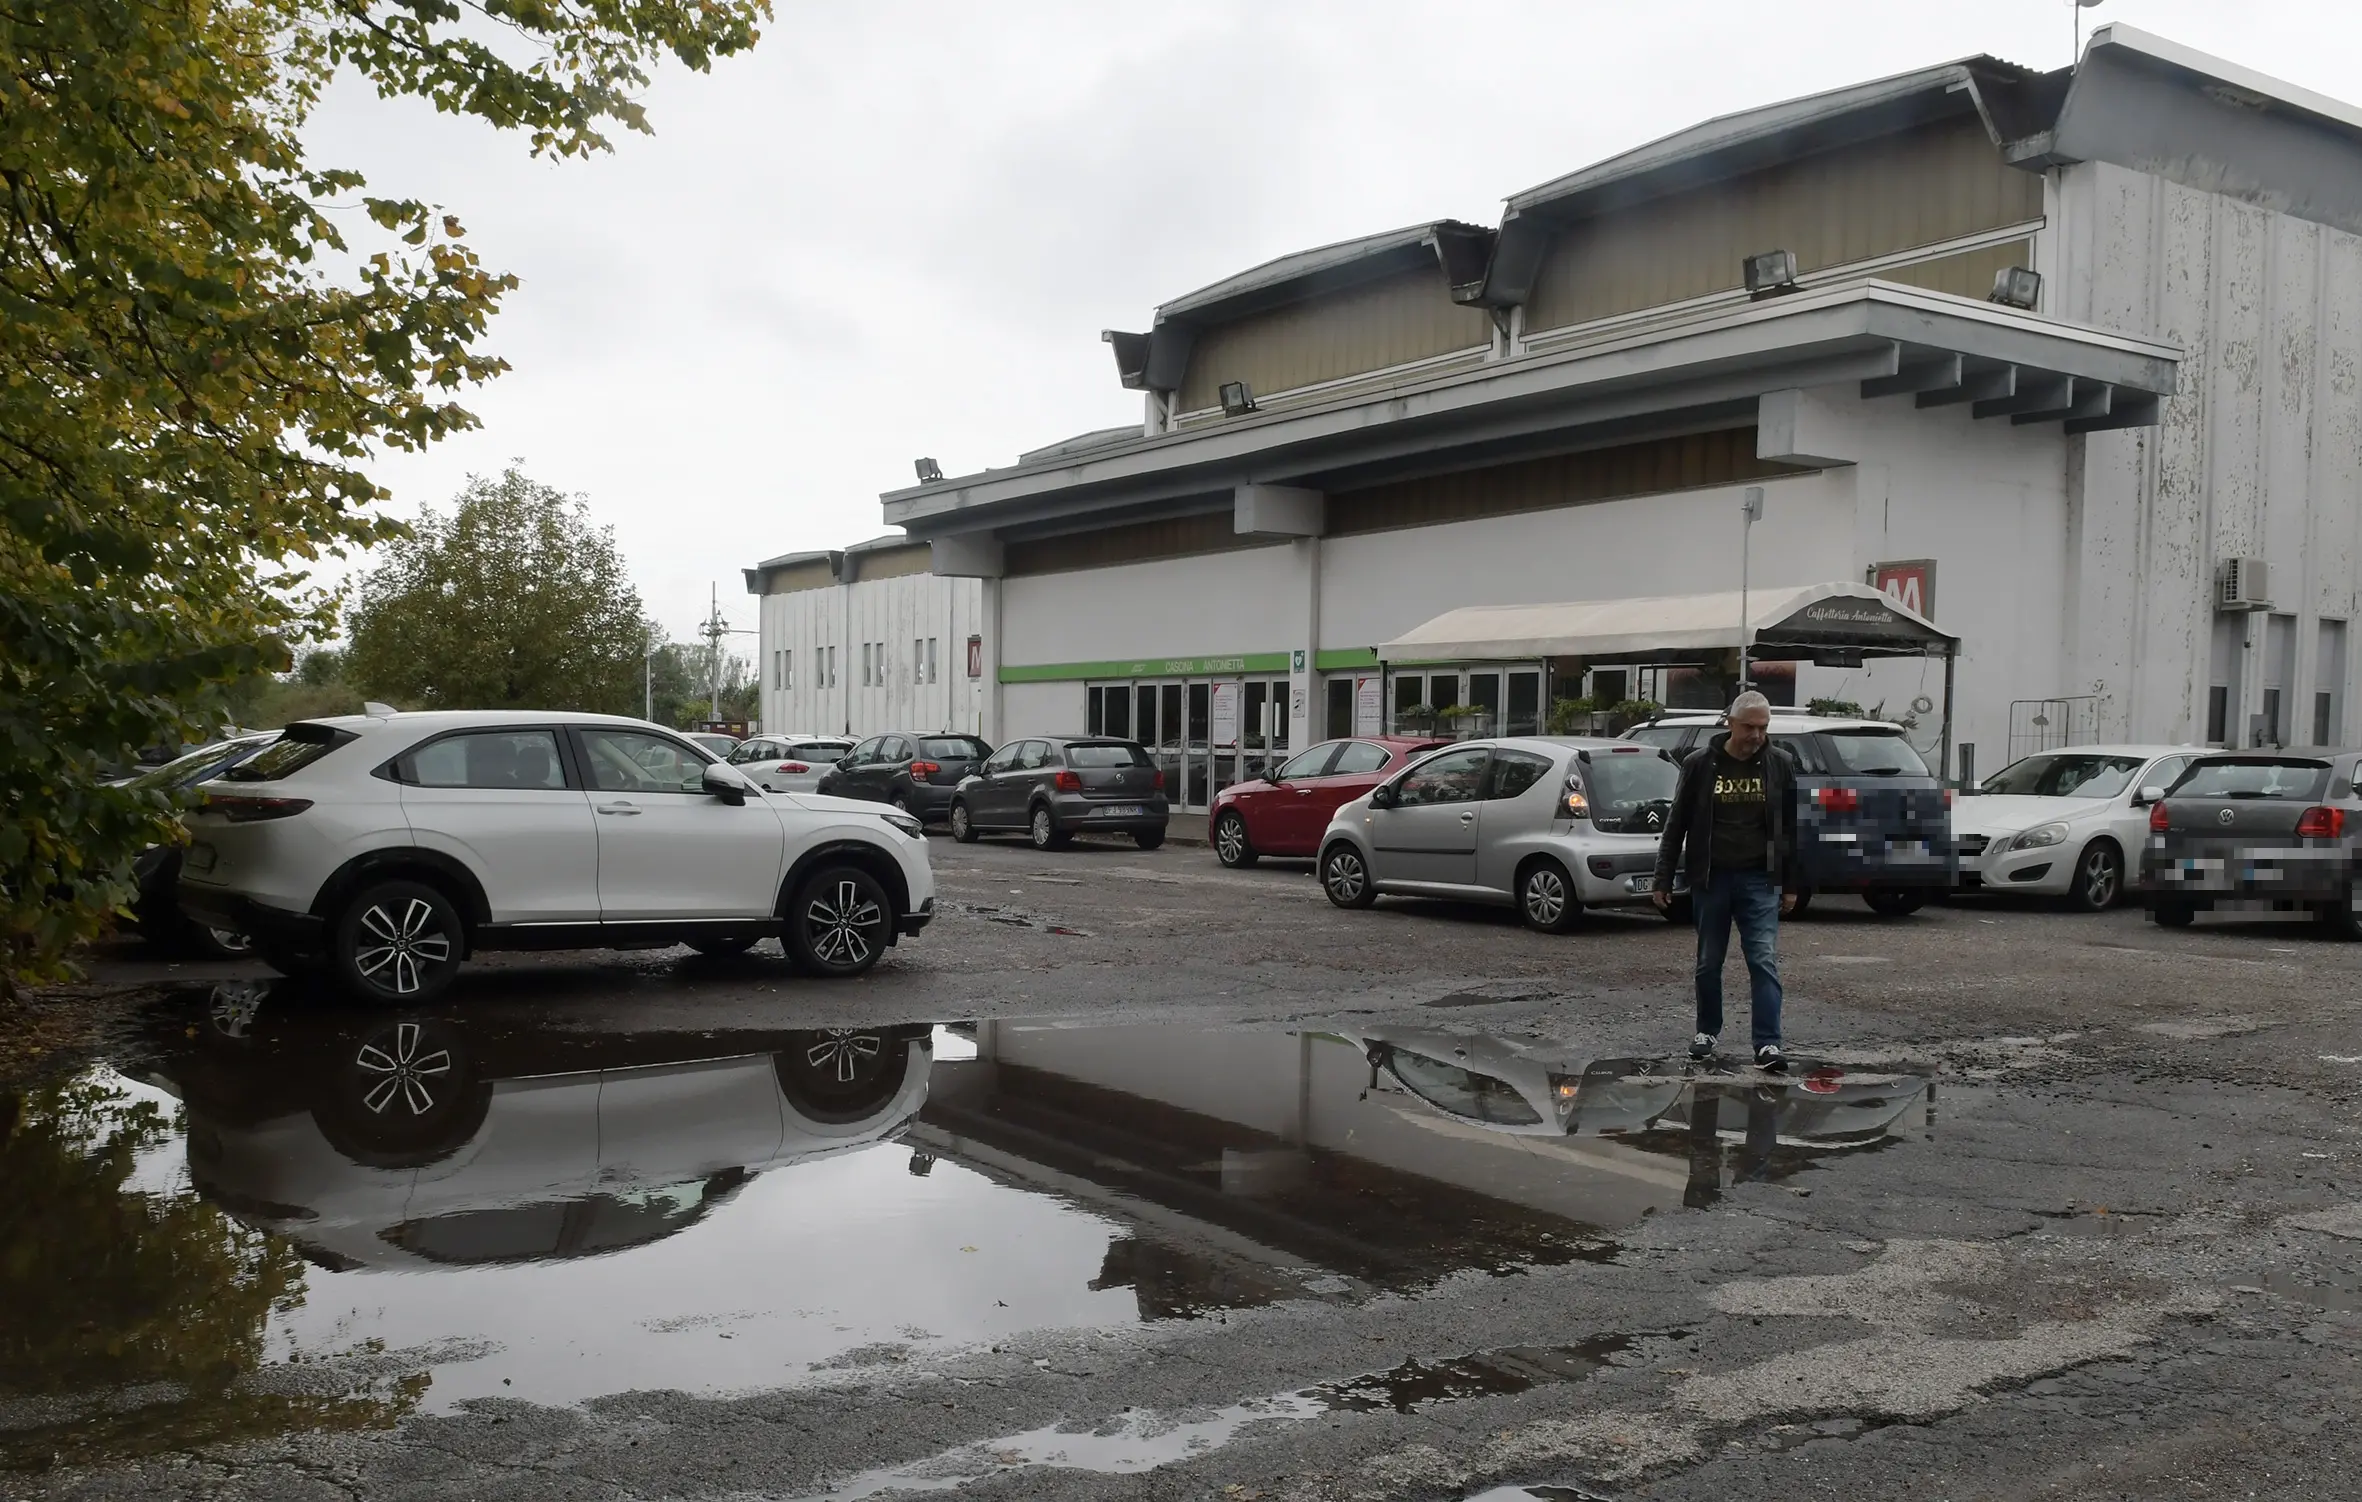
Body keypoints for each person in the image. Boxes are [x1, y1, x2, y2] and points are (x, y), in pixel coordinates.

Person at [1650, 690, 1798, 1071]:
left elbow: (1790, 828)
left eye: (1763, 727)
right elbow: (1677, 822)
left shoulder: (1780, 764)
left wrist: (1791, 881)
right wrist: (1662, 877)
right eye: (1749, 726)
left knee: (1763, 960)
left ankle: (1768, 1043)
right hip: (1712, 878)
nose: (1757, 735)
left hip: (1759, 879)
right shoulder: (1701, 764)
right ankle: (1706, 1031)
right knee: (1708, 960)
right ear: (1730, 723)